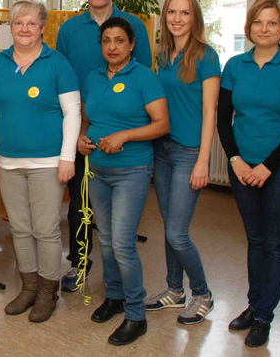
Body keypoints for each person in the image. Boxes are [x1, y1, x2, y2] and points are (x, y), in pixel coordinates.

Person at [217, 0, 280, 348]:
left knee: (274, 242)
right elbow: (223, 119)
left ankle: (263, 317)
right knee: (255, 240)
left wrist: (267, 166)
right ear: (249, 27)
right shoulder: (235, 66)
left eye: (272, 22)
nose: (264, 29)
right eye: (258, 22)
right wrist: (235, 159)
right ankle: (253, 304)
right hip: (243, 168)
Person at [0, 0, 81, 323]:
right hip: (8, 163)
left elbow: (73, 112)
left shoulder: (58, 63)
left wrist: (67, 157)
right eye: (18, 23)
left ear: (42, 28)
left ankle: (48, 293)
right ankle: (29, 287)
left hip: (49, 162)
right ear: (10, 27)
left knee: (46, 229)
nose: (24, 29)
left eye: (31, 23)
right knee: (20, 229)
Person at [55, 0, 152, 292]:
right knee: (79, 203)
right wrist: (76, 131)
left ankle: (121, 280)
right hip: (82, 129)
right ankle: (79, 264)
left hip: (126, 136)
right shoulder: (69, 29)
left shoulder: (134, 25)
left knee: (117, 222)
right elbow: (61, 78)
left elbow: (144, 78)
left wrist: (127, 130)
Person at [78, 17, 169, 346]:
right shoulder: (93, 78)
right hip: (98, 170)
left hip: (132, 170)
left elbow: (162, 124)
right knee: (105, 240)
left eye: (119, 40)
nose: (112, 47)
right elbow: (87, 119)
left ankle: (136, 314)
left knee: (122, 243)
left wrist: (125, 135)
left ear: (131, 44)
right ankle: (114, 297)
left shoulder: (145, 78)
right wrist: (81, 139)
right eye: (106, 41)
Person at [145, 0, 220, 324]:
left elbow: (210, 111)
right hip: (162, 149)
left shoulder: (206, 56)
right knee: (169, 226)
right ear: (165, 17)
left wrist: (204, 160)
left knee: (177, 231)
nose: (177, 19)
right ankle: (174, 290)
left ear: (195, 18)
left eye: (185, 13)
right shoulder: (162, 55)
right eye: (172, 12)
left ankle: (203, 293)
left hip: (189, 152)